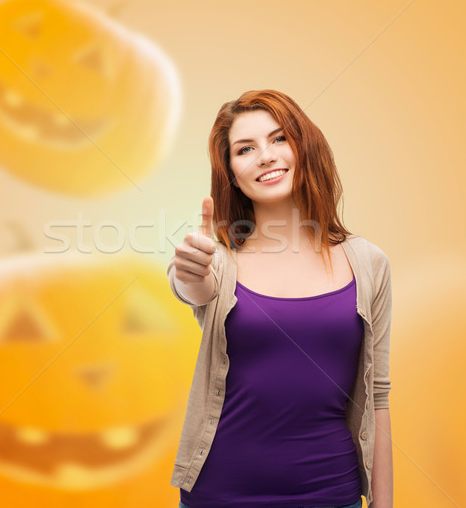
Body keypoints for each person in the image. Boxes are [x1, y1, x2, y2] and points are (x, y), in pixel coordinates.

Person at [167, 90, 393, 508]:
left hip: (331, 493)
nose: (265, 156)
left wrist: (384, 504)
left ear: (304, 147)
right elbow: (191, 287)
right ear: (231, 172)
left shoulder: (368, 262)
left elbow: (377, 395)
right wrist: (189, 272)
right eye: (245, 149)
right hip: (217, 495)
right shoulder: (217, 260)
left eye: (279, 139)